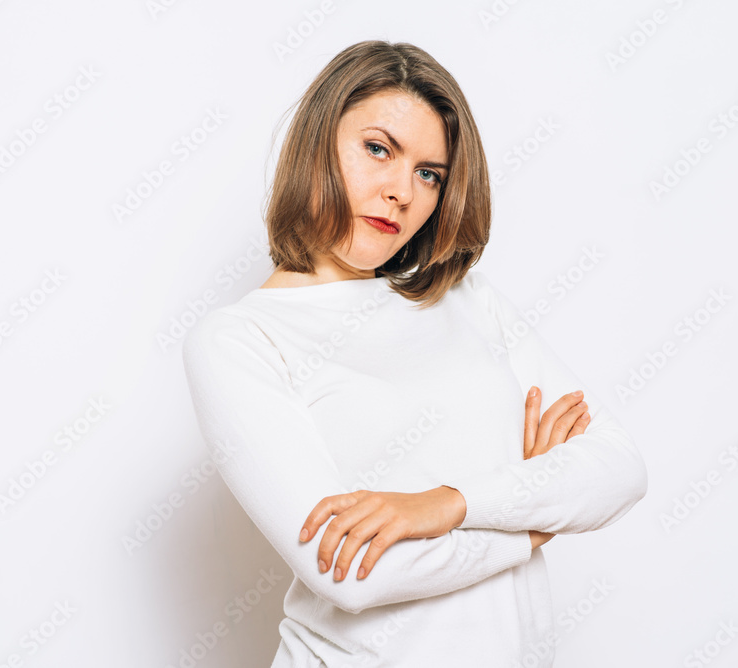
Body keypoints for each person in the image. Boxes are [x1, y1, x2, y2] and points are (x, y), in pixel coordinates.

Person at [181, 39, 647, 667]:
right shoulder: (241, 341)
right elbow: (352, 575)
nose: (402, 190)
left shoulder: (466, 299)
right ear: (318, 143)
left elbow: (618, 468)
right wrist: (531, 525)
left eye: (430, 173)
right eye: (378, 149)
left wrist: (445, 505)